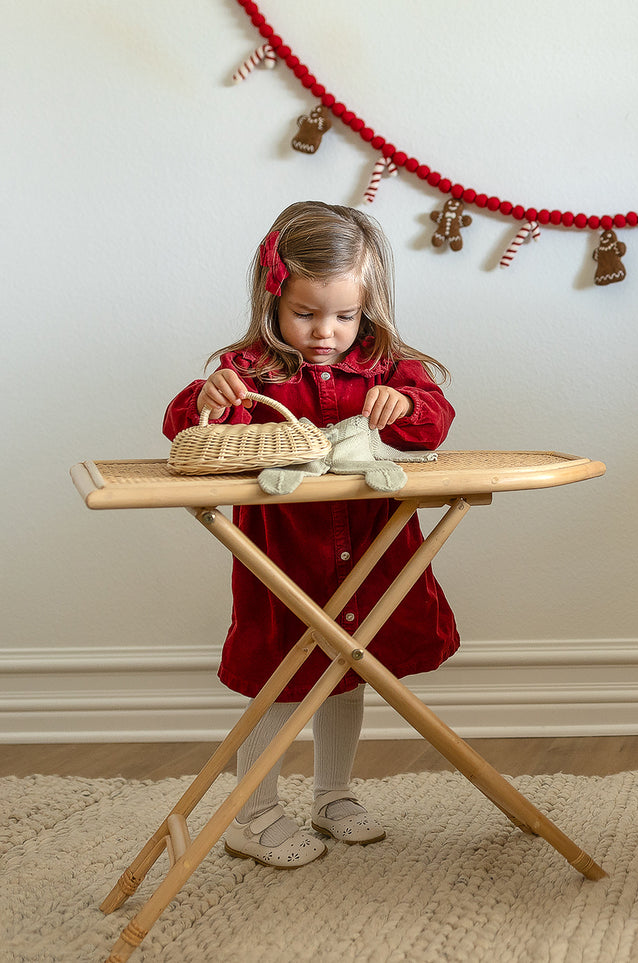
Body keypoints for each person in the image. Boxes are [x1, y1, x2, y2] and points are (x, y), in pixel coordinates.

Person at [163, 201, 457, 868]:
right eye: (306, 313)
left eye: (344, 315)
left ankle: (333, 792)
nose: (326, 332)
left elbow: (434, 422)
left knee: (347, 670)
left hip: (371, 552)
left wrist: (406, 405)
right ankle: (254, 809)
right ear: (273, 300)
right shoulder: (246, 369)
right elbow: (182, 422)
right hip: (284, 556)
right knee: (284, 674)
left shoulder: (384, 365)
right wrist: (207, 400)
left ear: (367, 308)